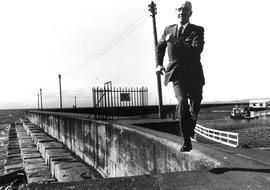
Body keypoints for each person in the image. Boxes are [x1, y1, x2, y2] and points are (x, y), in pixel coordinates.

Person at [156, 1, 205, 152]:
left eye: (185, 10)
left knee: (195, 104)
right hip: (176, 73)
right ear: (175, 11)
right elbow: (160, 46)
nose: (181, 12)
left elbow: (196, 50)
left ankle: (192, 121)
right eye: (179, 9)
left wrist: (176, 41)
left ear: (190, 13)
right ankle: (186, 141)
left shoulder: (197, 30)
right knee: (182, 102)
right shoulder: (168, 29)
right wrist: (158, 64)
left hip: (194, 73)